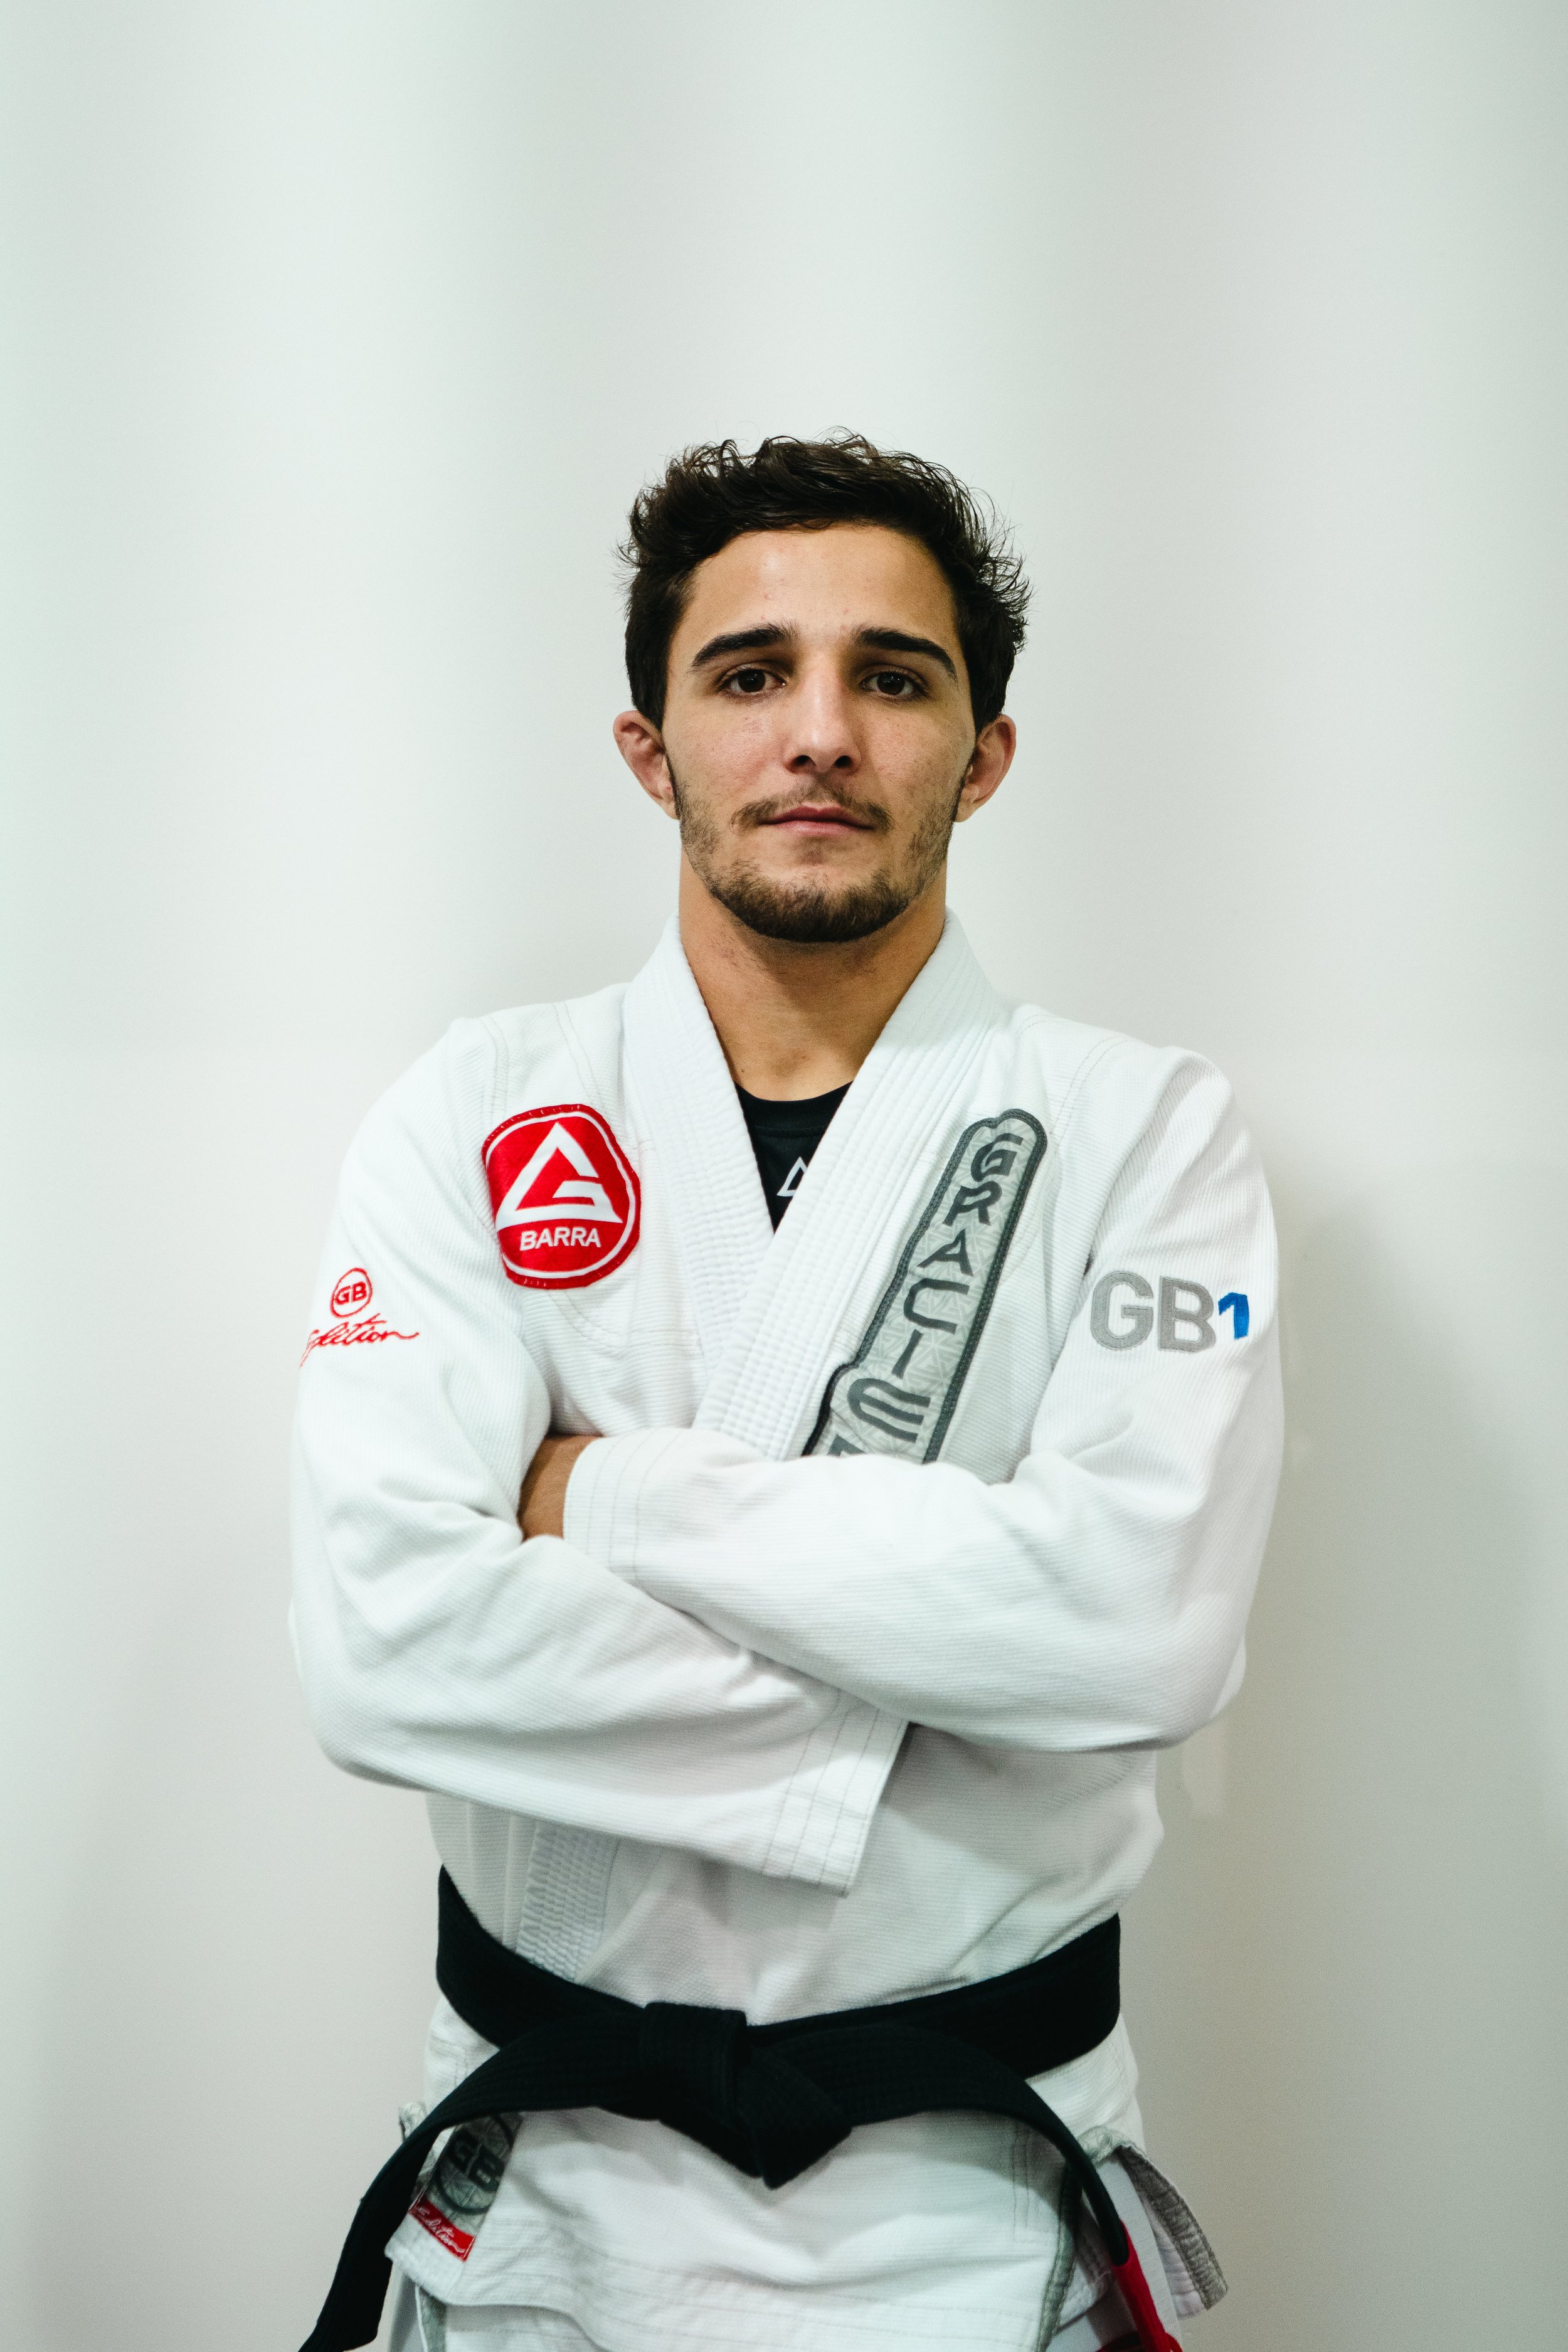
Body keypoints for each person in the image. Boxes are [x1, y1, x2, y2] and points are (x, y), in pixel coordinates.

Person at [290, 434, 1282, 2352]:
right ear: (648, 749)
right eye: (748, 676)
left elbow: (1142, 1631)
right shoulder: (473, 1115)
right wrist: (953, 1672)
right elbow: (381, 1644)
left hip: (967, 2212)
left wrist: (607, 1502)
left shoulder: (1142, 1132)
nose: (817, 732)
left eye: (889, 678)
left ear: (980, 753)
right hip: (544, 2203)